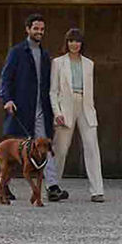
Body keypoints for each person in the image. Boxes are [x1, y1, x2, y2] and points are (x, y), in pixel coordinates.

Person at [0, 13, 68, 202]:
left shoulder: (45, 55)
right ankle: (3, 187)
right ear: (28, 29)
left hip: (41, 110)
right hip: (21, 108)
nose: (39, 32)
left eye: (42, 29)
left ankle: (52, 186)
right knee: (14, 152)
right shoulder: (17, 52)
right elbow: (5, 78)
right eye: (36, 28)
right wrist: (7, 99)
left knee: (44, 147)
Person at [50, 28, 105, 203]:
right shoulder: (58, 62)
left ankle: (97, 190)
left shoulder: (89, 63)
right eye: (71, 41)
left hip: (86, 106)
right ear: (66, 43)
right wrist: (57, 112)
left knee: (92, 147)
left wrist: (92, 109)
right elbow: (53, 91)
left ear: (82, 44)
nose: (74, 44)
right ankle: (52, 187)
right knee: (61, 149)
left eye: (77, 41)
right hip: (65, 106)